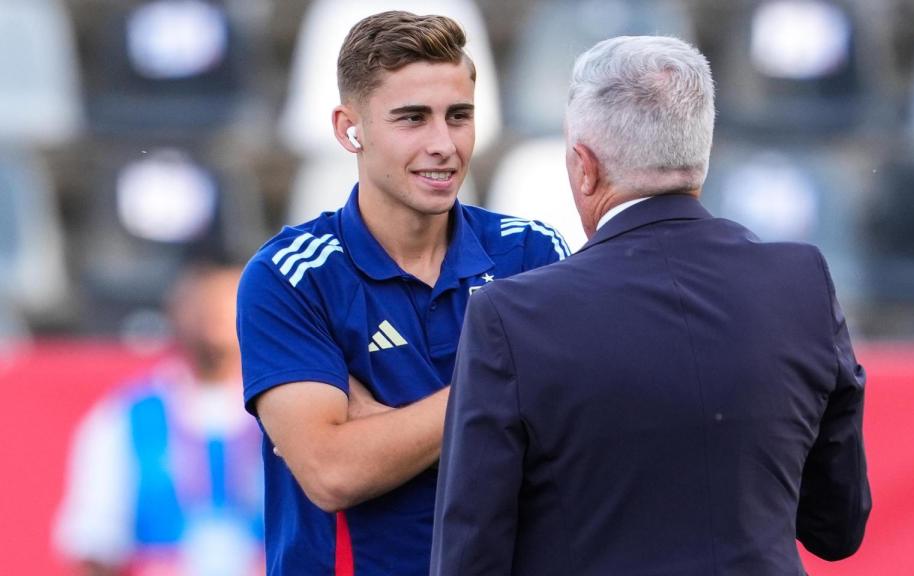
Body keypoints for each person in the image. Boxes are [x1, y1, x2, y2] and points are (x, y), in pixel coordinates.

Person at [431, 35, 871, 576]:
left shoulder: (512, 315)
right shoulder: (802, 282)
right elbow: (838, 525)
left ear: (584, 167)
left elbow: (470, 557)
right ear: (699, 154)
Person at [235, 11, 568, 576]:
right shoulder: (291, 276)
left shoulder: (532, 253)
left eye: (458, 116)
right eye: (412, 119)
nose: (443, 143)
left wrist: (377, 426)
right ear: (349, 129)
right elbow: (332, 473)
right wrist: (503, 391)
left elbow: (571, 445)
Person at [53, 262, 264, 576]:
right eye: (202, 303)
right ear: (175, 310)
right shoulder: (125, 417)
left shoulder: (285, 412)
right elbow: (93, 545)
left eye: (227, 301)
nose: (214, 316)